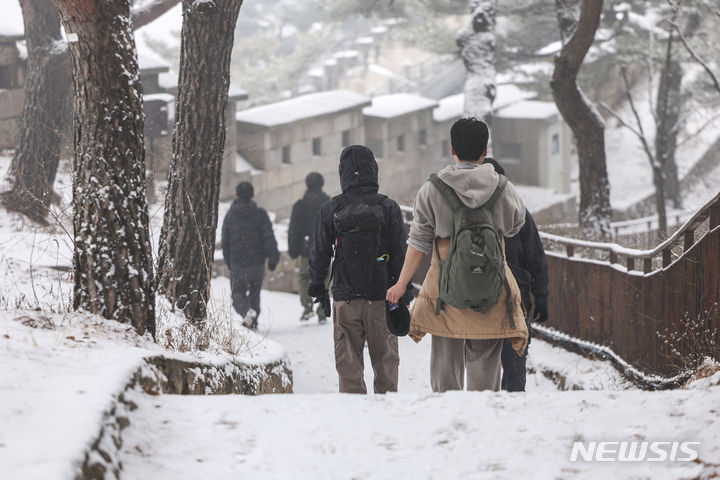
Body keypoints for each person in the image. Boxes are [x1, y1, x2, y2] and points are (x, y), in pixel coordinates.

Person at [386, 117, 529, 393]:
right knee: (486, 374)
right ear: (484, 151)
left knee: (445, 371)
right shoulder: (502, 187)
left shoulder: (432, 189)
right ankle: (481, 425)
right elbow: (515, 227)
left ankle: (447, 423)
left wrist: (401, 283)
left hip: (444, 296)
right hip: (492, 291)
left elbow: (418, 243)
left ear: (452, 149)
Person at [308, 145, 407, 394]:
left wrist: (318, 287)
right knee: (386, 368)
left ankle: (355, 423)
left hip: (346, 300)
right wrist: (402, 294)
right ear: (374, 170)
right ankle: (387, 421)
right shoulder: (389, 207)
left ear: (343, 172)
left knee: (349, 371)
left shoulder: (331, 209)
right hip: (383, 300)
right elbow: (399, 254)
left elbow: (320, 252)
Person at [483, 158, 549, 392]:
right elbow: (536, 258)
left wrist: (541, 294)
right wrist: (540, 295)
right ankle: (512, 409)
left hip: (481, 301)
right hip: (514, 300)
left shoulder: (469, 214)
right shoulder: (518, 212)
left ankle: (485, 411)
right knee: (514, 366)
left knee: (483, 368)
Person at [221, 181, 279, 330]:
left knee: (237, 293)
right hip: (257, 262)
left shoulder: (230, 216)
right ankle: (252, 318)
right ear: (253, 195)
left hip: (237, 262)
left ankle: (247, 312)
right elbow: (269, 237)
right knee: (255, 292)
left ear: (236, 194)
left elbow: (225, 241)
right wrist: (273, 257)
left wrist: (229, 262)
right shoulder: (260, 214)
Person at [288, 172, 330, 323]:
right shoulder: (328, 203)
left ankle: (307, 307)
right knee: (324, 278)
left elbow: (294, 229)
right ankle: (322, 310)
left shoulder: (300, 205)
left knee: (305, 277)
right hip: (324, 248)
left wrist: (293, 249)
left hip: (307, 249)